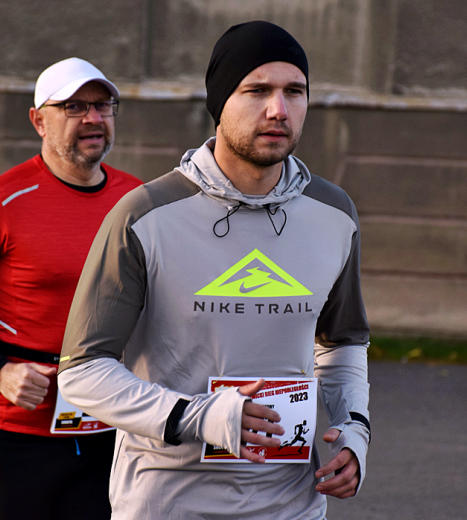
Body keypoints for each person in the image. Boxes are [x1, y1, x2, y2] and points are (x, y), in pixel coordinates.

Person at [58, 21, 371, 519]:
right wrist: (198, 416)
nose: (278, 110)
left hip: (290, 502)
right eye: (257, 91)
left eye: (295, 91)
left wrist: (354, 431)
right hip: (167, 500)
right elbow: (82, 373)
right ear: (219, 102)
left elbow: (342, 344)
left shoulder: (334, 214)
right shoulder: (145, 215)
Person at [0, 57, 142, 519]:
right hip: (13, 432)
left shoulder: (137, 200)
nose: (94, 119)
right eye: (75, 106)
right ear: (39, 120)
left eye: (103, 105)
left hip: (110, 424)